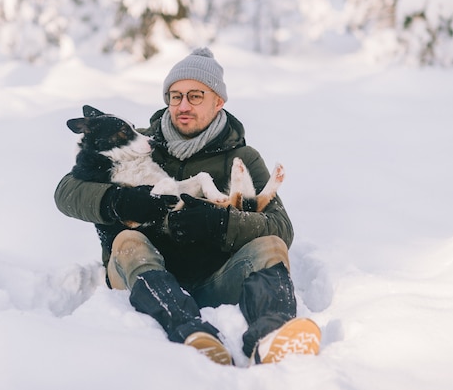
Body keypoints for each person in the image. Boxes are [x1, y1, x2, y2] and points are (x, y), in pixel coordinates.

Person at [54, 47, 320, 366]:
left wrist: (221, 223)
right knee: (126, 242)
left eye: (195, 96)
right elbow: (67, 191)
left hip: (215, 278)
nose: (182, 105)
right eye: (175, 95)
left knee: (271, 245)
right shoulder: (139, 142)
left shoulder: (243, 158)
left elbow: (281, 227)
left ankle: (272, 335)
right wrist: (118, 202)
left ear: (218, 101)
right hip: (144, 275)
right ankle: (189, 331)